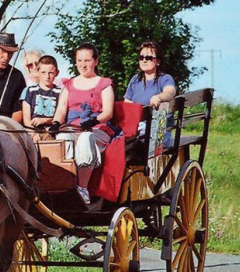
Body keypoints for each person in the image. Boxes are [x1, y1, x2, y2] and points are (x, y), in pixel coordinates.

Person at [49, 43, 116, 205]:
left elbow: (108, 112)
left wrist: (93, 121)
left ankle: (82, 188)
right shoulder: (69, 85)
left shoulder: (104, 84)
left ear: (96, 62)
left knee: (86, 138)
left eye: (87, 60)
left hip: (96, 129)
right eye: (79, 60)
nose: (83, 65)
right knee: (63, 137)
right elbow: (61, 109)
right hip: (72, 128)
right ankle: (65, 185)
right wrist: (56, 123)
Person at [124, 41, 176, 148]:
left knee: (138, 140)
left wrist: (158, 97)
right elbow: (127, 105)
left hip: (158, 129)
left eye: (148, 58)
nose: (144, 60)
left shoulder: (165, 79)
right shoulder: (135, 80)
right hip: (137, 128)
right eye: (141, 57)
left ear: (158, 61)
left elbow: (170, 92)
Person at [22, 55, 61, 134]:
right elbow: (27, 120)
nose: (47, 76)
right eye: (43, 72)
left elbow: (62, 117)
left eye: (51, 73)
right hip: (33, 132)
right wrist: (33, 133)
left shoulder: (60, 92)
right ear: (38, 72)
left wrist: (45, 120)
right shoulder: (30, 91)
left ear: (57, 73)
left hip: (53, 132)